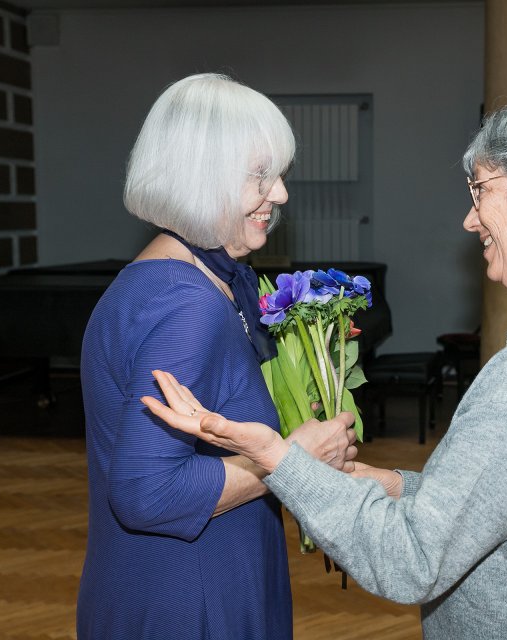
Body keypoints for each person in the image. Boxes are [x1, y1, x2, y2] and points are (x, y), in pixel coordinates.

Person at [143, 95, 507, 639]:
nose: (469, 218)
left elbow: (410, 559)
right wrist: (381, 482)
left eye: (480, 191)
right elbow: (498, 503)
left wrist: (273, 455)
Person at [76, 73, 357, 640]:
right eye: (260, 175)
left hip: (202, 578)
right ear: (200, 177)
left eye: (279, 174)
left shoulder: (203, 280)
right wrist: (290, 460)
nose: (279, 194)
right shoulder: (189, 306)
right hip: (185, 600)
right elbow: (143, 493)